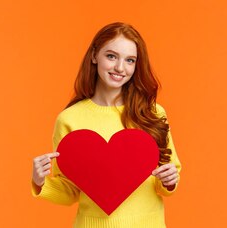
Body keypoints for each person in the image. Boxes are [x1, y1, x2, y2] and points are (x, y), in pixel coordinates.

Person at [31, 22, 181, 228]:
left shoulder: (153, 113)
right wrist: (40, 182)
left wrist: (170, 180)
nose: (120, 68)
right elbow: (71, 190)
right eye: (111, 56)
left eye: (130, 60)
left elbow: (168, 176)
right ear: (94, 56)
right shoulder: (70, 119)